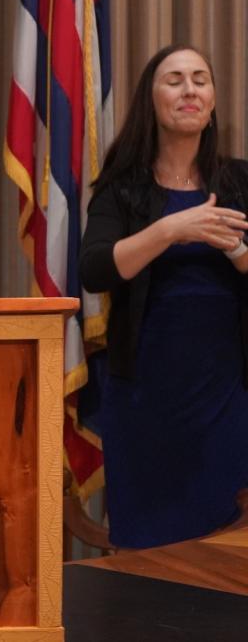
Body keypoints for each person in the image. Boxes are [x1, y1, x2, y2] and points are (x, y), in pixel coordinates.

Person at [79, 44, 248, 549]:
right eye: (174, 80)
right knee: (151, 554)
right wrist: (171, 229)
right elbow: (95, 270)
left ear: (214, 99)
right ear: (151, 100)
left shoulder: (239, 181)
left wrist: (235, 246)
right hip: (143, 398)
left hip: (229, 392)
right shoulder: (122, 189)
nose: (190, 90)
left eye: (200, 79)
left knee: (226, 553)